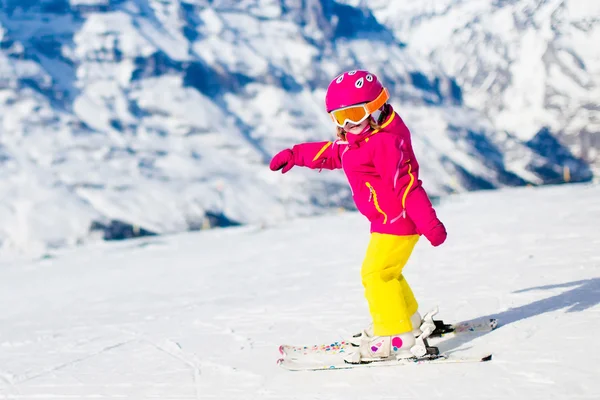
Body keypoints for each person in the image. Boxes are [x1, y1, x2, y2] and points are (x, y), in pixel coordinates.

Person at [269, 70, 447, 363]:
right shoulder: (361, 139)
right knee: (388, 273)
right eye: (340, 118)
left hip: (398, 223)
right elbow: (333, 153)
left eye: (354, 114)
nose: (348, 124)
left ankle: (396, 336)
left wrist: (429, 222)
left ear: (375, 108)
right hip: (385, 222)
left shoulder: (384, 144)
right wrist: (295, 154)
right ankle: (408, 322)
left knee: (375, 275)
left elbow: (407, 185)